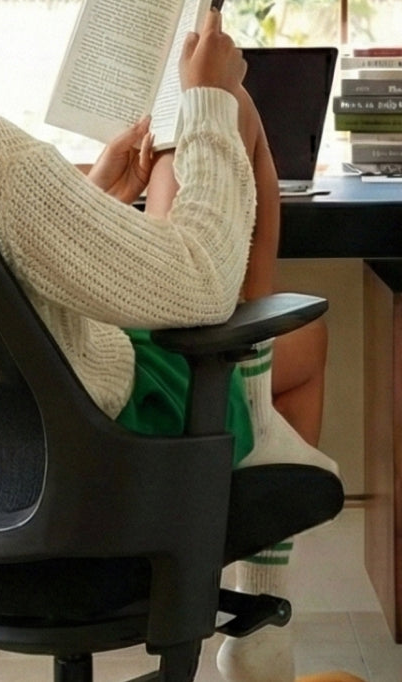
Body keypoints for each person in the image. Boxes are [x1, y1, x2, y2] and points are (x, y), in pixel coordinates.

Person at [0, 2, 341, 678]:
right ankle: (255, 466)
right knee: (236, 116)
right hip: (89, 489)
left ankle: (254, 418)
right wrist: (210, 102)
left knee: (298, 351)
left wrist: (95, 195)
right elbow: (202, 285)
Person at [145, 88, 339, 682]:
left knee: (299, 343)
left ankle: (261, 598)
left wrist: (105, 184)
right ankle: (264, 598)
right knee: (260, 331)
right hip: (143, 407)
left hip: (11, 466)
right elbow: (208, 281)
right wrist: (223, 102)